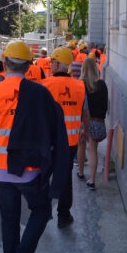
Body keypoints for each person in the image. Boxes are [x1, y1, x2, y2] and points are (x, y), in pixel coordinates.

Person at [0, 40, 69, 253]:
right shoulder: (39, 93)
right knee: (42, 211)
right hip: (28, 171)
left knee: (9, 220)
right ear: (28, 67)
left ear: (4, 64)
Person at [41, 47, 85, 228]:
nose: (50, 64)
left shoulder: (45, 85)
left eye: (52, 61)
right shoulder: (80, 86)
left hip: (49, 141)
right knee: (66, 178)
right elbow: (84, 113)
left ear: (58, 64)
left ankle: (43, 213)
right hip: (70, 142)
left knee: (44, 176)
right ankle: (64, 216)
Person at [79, 57, 108, 190]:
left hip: (84, 121)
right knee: (93, 150)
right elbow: (105, 106)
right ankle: (92, 180)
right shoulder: (102, 84)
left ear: (84, 69)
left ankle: (80, 172)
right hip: (98, 122)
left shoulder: (81, 84)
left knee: (81, 146)